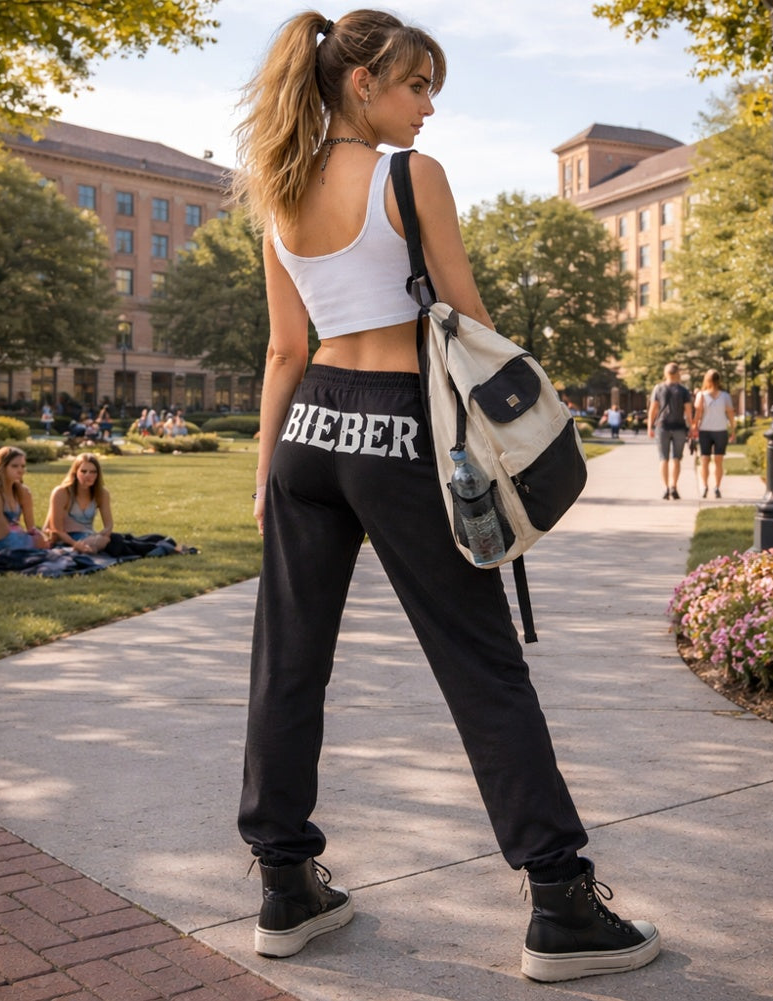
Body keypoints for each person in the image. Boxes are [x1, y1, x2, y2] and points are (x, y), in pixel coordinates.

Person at [233, 9, 660, 982]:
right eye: (415, 86)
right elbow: (463, 317)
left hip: (307, 430)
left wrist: (265, 470)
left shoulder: (279, 184)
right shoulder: (405, 177)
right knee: (480, 665)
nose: (426, 108)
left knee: (286, 664)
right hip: (398, 430)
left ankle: (284, 884)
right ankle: (558, 899)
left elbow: (282, 349)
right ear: (359, 84)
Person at [43, 452, 114, 553]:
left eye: (93, 472)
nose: (88, 475)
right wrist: (75, 544)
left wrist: (102, 535)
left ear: (98, 475)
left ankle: (78, 550)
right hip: (62, 537)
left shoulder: (102, 493)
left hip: (87, 536)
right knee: (100, 544)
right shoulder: (62, 492)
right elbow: (56, 529)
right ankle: (74, 550)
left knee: (109, 539)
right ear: (75, 472)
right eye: (83, 471)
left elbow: (109, 525)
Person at [647, 362, 693, 500]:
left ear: (666, 373)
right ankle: (674, 486)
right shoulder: (684, 391)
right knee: (676, 458)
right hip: (679, 427)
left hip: (662, 426)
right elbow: (689, 412)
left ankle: (665, 488)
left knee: (663, 459)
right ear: (677, 373)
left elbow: (653, 409)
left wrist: (650, 426)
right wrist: (691, 427)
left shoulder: (658, 388)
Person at [692, 369, 736, 498]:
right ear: (719, 380)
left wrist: (694, 427)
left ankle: (705, 486)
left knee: (704, 459)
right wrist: (733, 430)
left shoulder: (701, 395)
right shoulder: (725, 396)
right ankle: (716, 487)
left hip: (706, 431)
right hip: (720, 430)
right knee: (718, 461)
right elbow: (731, 414)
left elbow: (697, 414)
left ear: (707, 380)